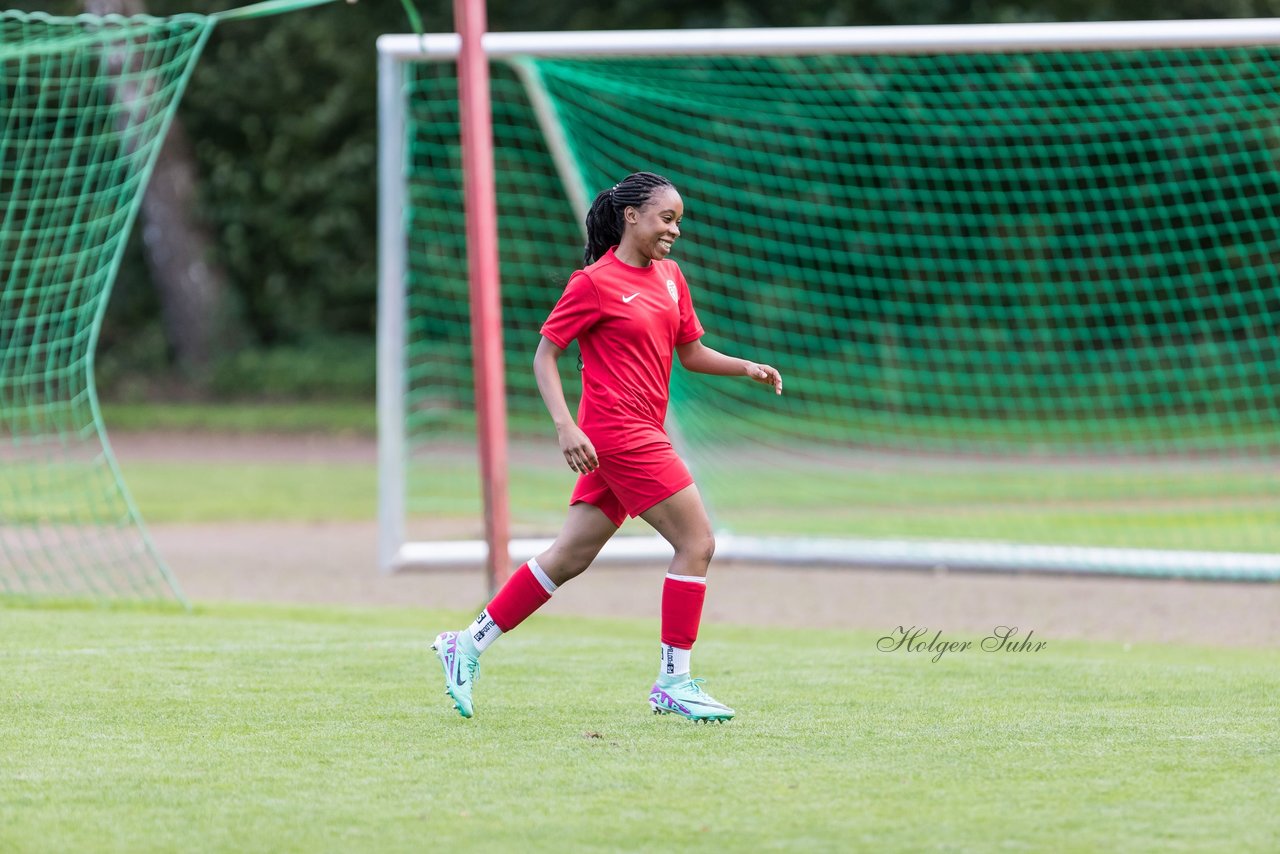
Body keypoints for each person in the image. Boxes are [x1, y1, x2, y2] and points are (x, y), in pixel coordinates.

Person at [431, 171, 783, 722]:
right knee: (698, 541)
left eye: (679, 222)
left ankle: (466, 644)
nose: (675, 231)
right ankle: (674, 681)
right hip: (621, 434)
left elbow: (690, 352)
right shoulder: (593, 283)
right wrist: (564, 425)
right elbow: (544, 356)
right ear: (631, 216)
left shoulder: (670, 278)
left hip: (636, 434)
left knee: (568, 557)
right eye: (667, 219)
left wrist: (747, 368)